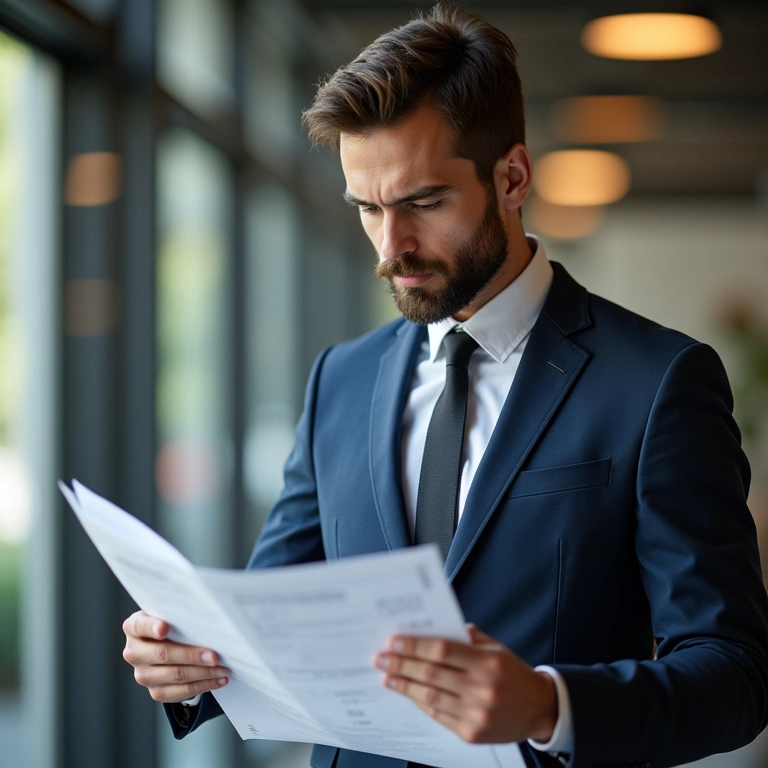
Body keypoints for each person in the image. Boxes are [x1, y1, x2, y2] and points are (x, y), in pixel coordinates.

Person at [122, 5, 768, 767]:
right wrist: (192, 660)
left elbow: (736, 674)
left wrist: (548, 705)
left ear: (512, 176)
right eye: (367, 208)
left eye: (423, 203)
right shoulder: (341, 380)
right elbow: (275, 618)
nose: (391, 247)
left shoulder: (658, 382)